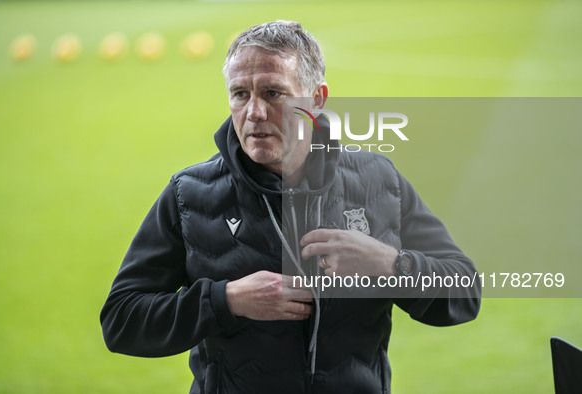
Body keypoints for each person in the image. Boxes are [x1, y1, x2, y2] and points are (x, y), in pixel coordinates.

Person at [101, 20, 480, 393]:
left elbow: (465, 291)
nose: (254, 113)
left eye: (273, 93)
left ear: (316, 99)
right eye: (239, 94)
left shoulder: (377, 180)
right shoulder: (190, 194)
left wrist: (391, 265)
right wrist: (226, 300)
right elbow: (121, 320)